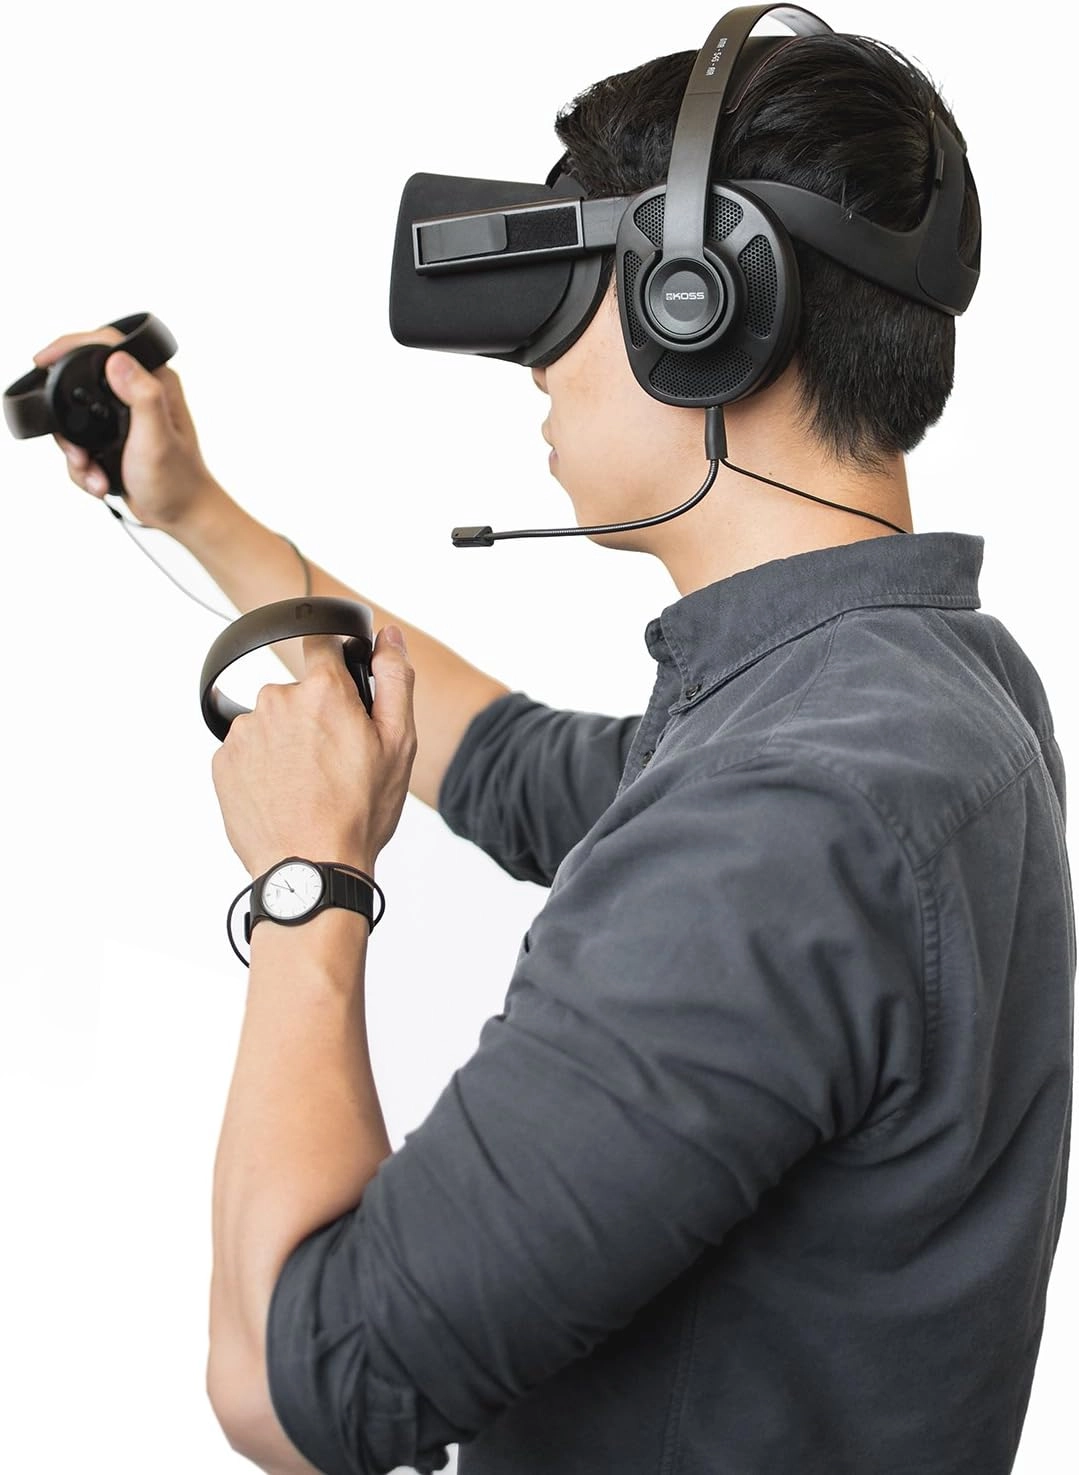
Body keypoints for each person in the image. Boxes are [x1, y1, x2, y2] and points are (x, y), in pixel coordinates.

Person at [35, 30, 1073, 1475]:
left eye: (572, 288)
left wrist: (305, 885)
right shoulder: (903, 690)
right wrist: (198, 512)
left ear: (699, 301)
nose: (531, 363)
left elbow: (296, 1380)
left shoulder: (785, 818)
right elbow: (507, 762)